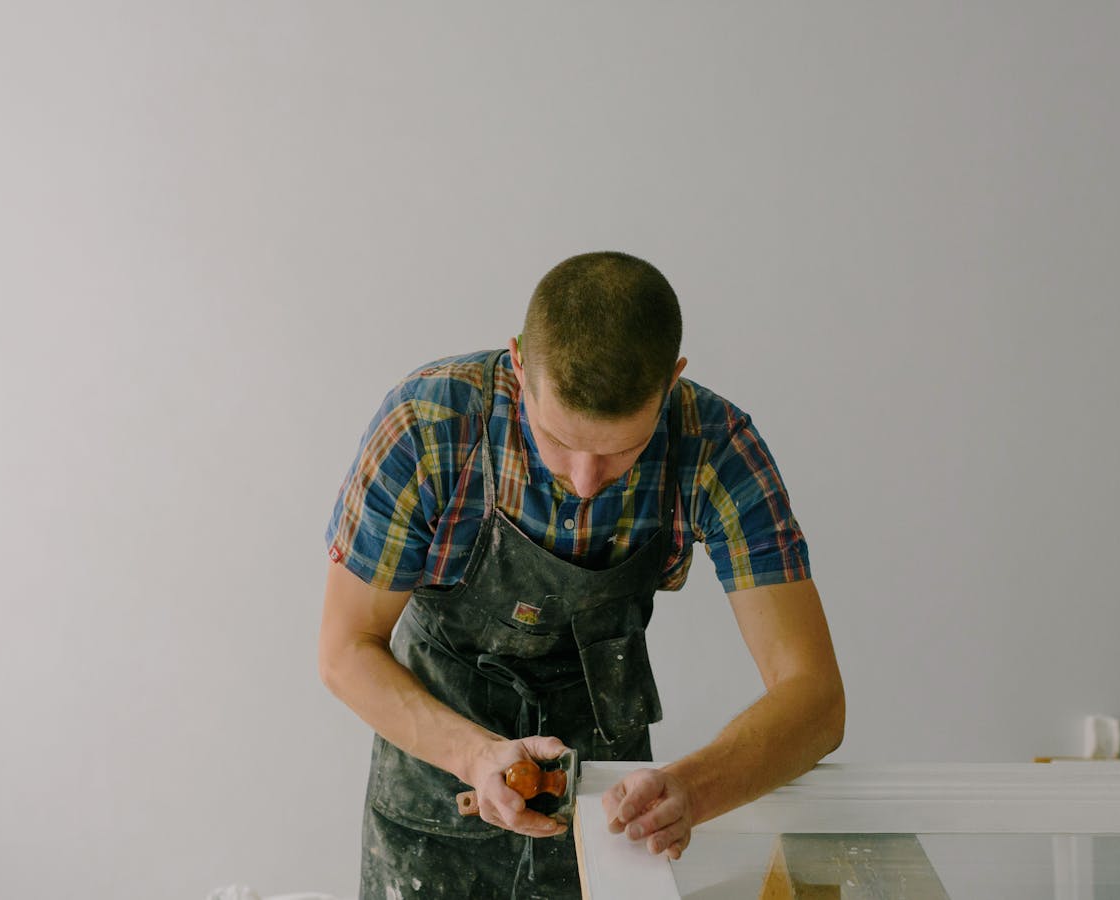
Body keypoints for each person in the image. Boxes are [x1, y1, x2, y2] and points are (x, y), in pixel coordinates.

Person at [319, 251, 844, 899]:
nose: (586, 480)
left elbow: (815, 699)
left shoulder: (715, 445)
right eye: (558, 441)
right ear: (518, 365)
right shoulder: (427, 427)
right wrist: (478, 757)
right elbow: (345, 650)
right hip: (439, 781)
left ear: (672, 382)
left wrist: (691, 789)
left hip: (607, 794)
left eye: (622, 449)